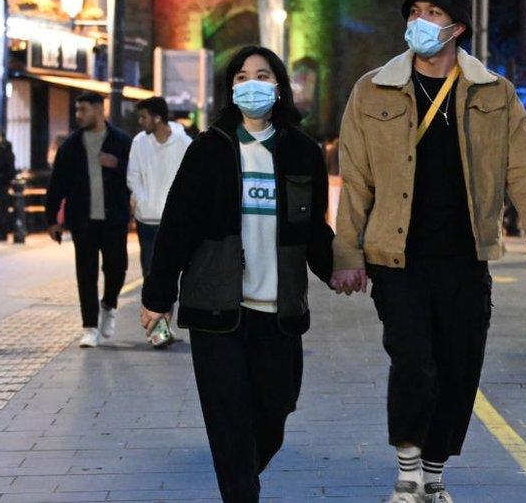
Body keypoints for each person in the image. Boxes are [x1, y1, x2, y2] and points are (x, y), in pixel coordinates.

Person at [331, 0, 526, 503]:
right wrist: (347, 253)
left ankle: (434, 472)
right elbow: (356, 179)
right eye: (415, 11)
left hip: (464, 255)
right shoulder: (372, 90)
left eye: (433, 14)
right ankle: (408, 470)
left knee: (460, 366)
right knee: (412, 358)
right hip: (396, 256)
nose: (420, 22)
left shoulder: (494, 93)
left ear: (456, 28)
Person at [139, 46, 333, 502]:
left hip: (279, 311)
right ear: (231, 87)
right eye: (243, 75)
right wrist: (157, 295)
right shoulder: (210, 149)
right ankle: (241, 492)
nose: (252, 83)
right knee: (227, 421)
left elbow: (314, 229)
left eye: (263, 75)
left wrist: (345, 270)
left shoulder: (301, 151)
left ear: (279, 86)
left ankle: (243, 476)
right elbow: (177, 225)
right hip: (217, 310)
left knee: (276, 411)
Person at [45, 91, 131, 348]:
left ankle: (109, 304)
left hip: (114, 218)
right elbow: (57, 183)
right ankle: (89, 327)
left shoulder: (121, 141)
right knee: (86, 273)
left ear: (99, 109)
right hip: (83, 220)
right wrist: (52, 219)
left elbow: (136, 174)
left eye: (83, 110)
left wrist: (117, 164)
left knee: (117, 268)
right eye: (77, 110)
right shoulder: (71, 145)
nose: (78, 115)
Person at [127, 96, 192, 278]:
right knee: (148, 271)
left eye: (143, 117)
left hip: (173, 220)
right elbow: (133, 175)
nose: (140, 121)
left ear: (157, 118)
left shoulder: (184, 143)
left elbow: (191, 179)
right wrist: (142, 200)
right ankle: (153, 307)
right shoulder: (139, 142)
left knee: (171, 272)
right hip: (145, 219)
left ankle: (166, 307)